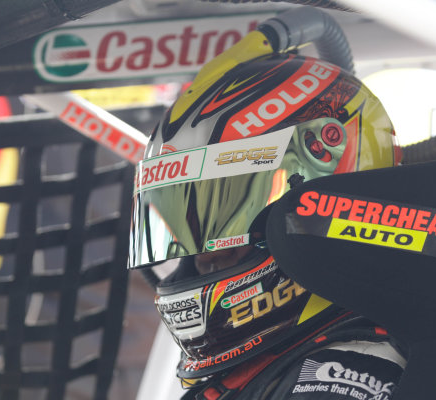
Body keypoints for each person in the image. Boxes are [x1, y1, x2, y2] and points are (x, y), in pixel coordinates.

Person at [129, 27, 406, 399]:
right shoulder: (272, 359)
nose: (207, 254)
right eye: (188, 225)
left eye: (230, 217)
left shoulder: (345, 378)